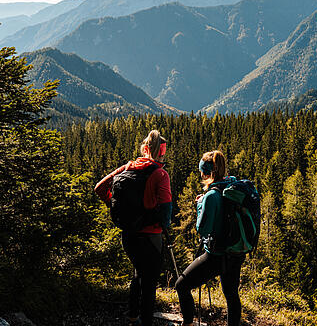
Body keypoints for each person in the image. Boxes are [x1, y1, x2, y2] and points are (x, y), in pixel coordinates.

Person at [94, 130, 172, 326]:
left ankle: (132, 317)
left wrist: (114, 205)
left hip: (128, 235)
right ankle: (145, 322)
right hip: (150, 237)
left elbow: (100, 188)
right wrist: (162, 225)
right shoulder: (160, 174)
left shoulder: (128, 167)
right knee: (149, 283)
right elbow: (166, 210)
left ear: (144, 148)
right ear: (161, 152)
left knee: (138, 274)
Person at [172, 150, 245, 326]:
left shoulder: (211, 196)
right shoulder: (232, 184)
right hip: (236, 251)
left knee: (181, 285)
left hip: (216, 254)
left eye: (201, 172)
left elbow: (202, 228)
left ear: (207, 173)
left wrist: (199, 205)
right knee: (231, 294)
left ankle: (187, 323)